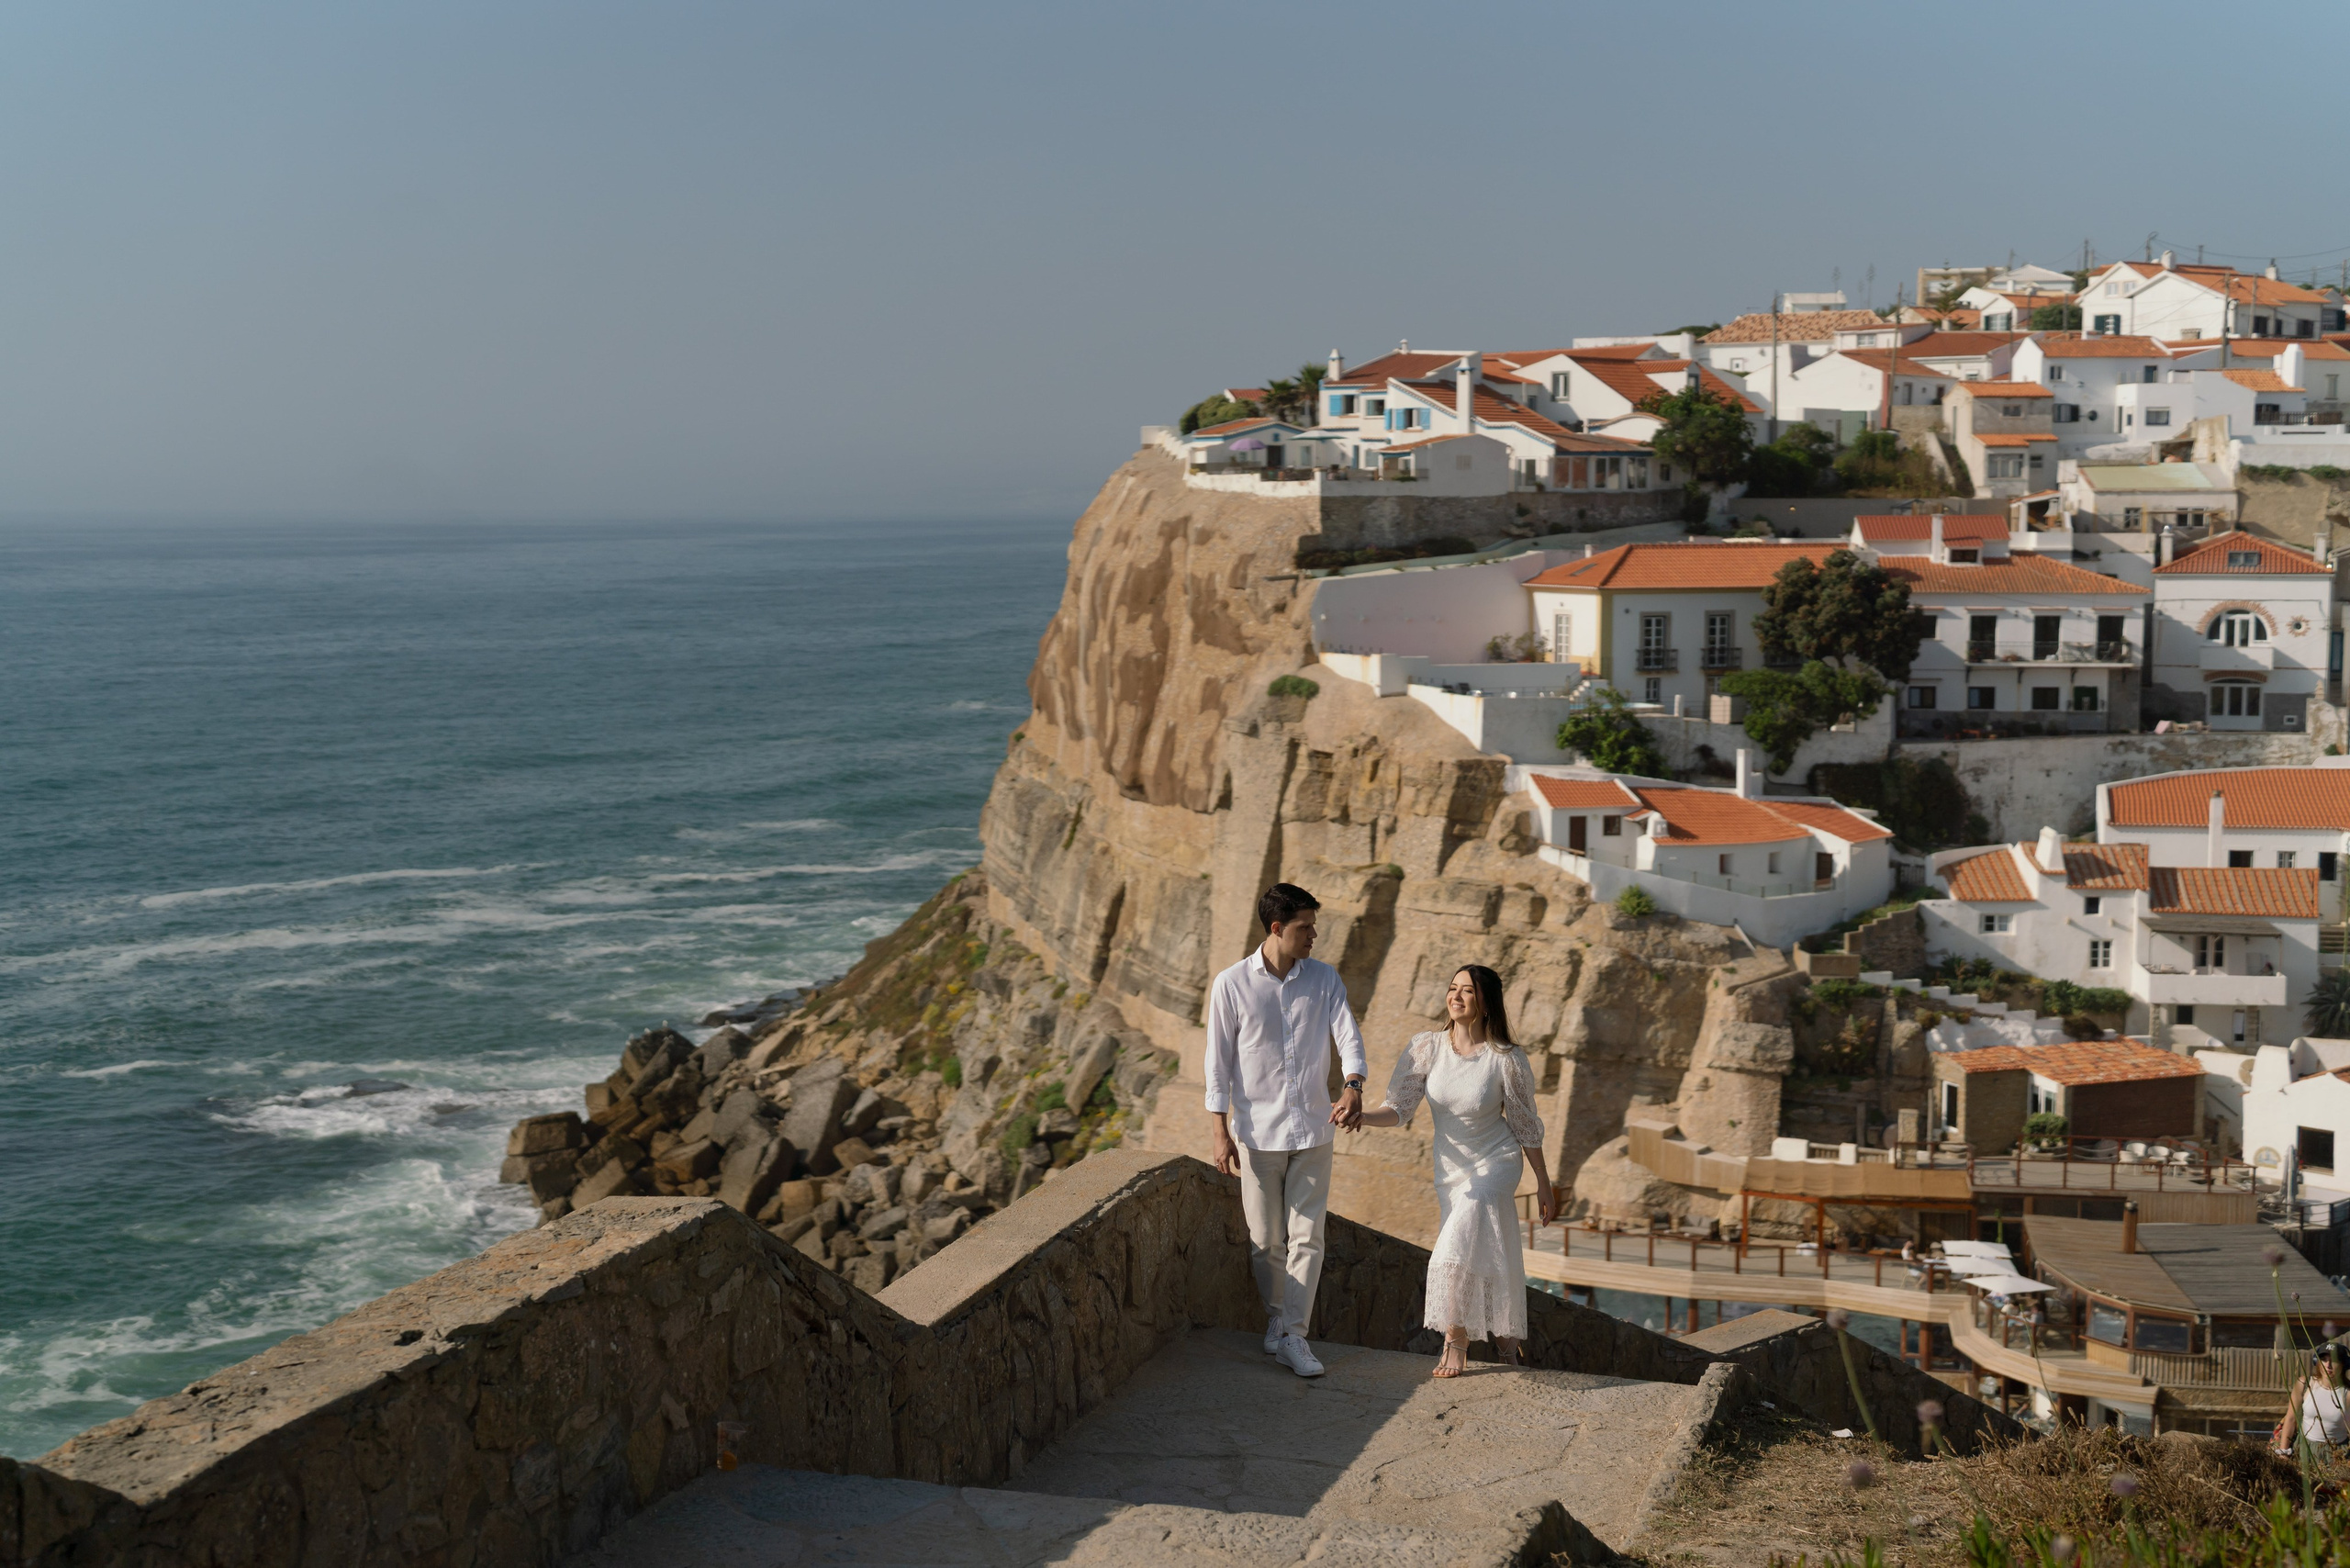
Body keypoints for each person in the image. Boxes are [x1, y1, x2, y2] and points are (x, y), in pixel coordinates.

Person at [1355, 964, 1558, 1378]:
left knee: (1453, 1249)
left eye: (1468, 990)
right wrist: (1362, 1116)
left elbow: (1524, 1125)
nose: (1456, 996)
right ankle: (1507, 1341)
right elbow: (1398, 1108)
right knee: (1485, 1252)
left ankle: (1456, 1338)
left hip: (1496, 1162)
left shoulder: (1506, 1058)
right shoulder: (1427, 1047)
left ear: (1486, 1003)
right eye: (1453, 988)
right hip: (1450, 1172)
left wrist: (1543, 1182)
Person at [1203, 883, 1369, 1379]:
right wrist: (1219, 1132)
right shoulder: (1231, 984)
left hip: (1315, 1129)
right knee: (1265, 1241)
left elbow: (1348, 1035)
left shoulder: (1324, 978)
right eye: (1305, 927)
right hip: (1258, 1135)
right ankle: (1278, 1320)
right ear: (1277, 928)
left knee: (1308, 1237)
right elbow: (1218, 1064)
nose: (1314, 935)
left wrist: (1354, 1084)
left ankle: (1295, 1335)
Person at [2286, 1342, 2350, 1460]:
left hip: (2337, 1455)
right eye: (2324, 1360)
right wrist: (2283, 1452)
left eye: (2334, 1361)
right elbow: (2290, 1419)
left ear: (2344, 1364)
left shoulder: (2348, 1393)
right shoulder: (2304, 1384)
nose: (2328, 1365)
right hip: (2304, 1450)